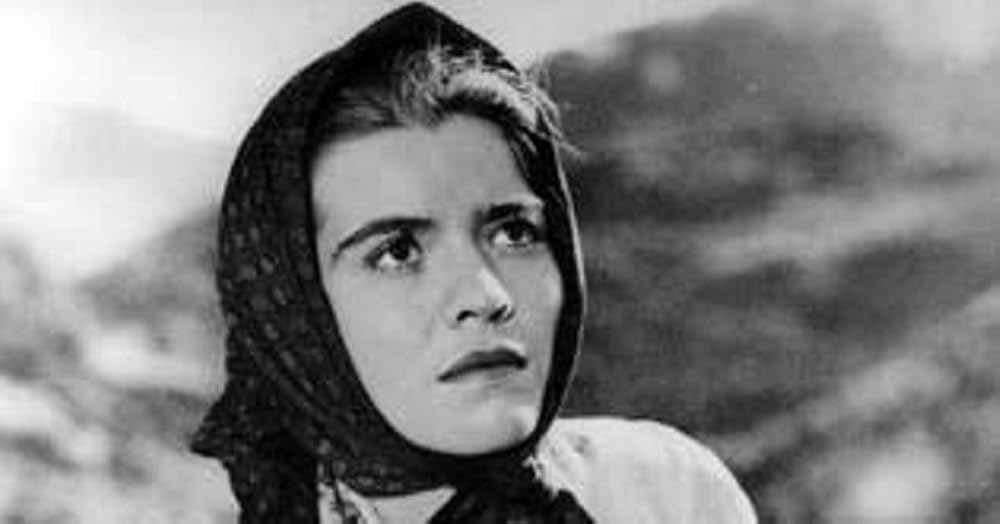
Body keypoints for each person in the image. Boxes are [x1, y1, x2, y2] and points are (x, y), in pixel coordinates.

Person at [191, 3, 757, 523]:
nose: (487, 296)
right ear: (296, 319)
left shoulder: (668, 493)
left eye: (514, 233)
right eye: (397, 252)